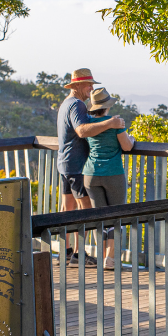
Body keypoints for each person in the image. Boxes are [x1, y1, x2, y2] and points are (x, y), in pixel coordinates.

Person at [57, 68, 124, 263]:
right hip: (77, 164)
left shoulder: (65, 104)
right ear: (77, 86)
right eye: (88, 84)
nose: (91, 88)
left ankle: (66, 251)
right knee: (85, 209)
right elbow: (82, 131)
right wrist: (110, 123)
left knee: (67, 208)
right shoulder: (77, 105)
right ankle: (79, 254)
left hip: (64, 162)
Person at [82, 87, 136, 269]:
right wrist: (133, 140)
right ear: (107, 106)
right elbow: (127, 146)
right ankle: (110, 259)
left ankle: (101, 255)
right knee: (116, 218)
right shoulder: (116, 124)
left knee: (100, 217)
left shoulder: (89, 124)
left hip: (90, 174)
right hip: (113, 173)